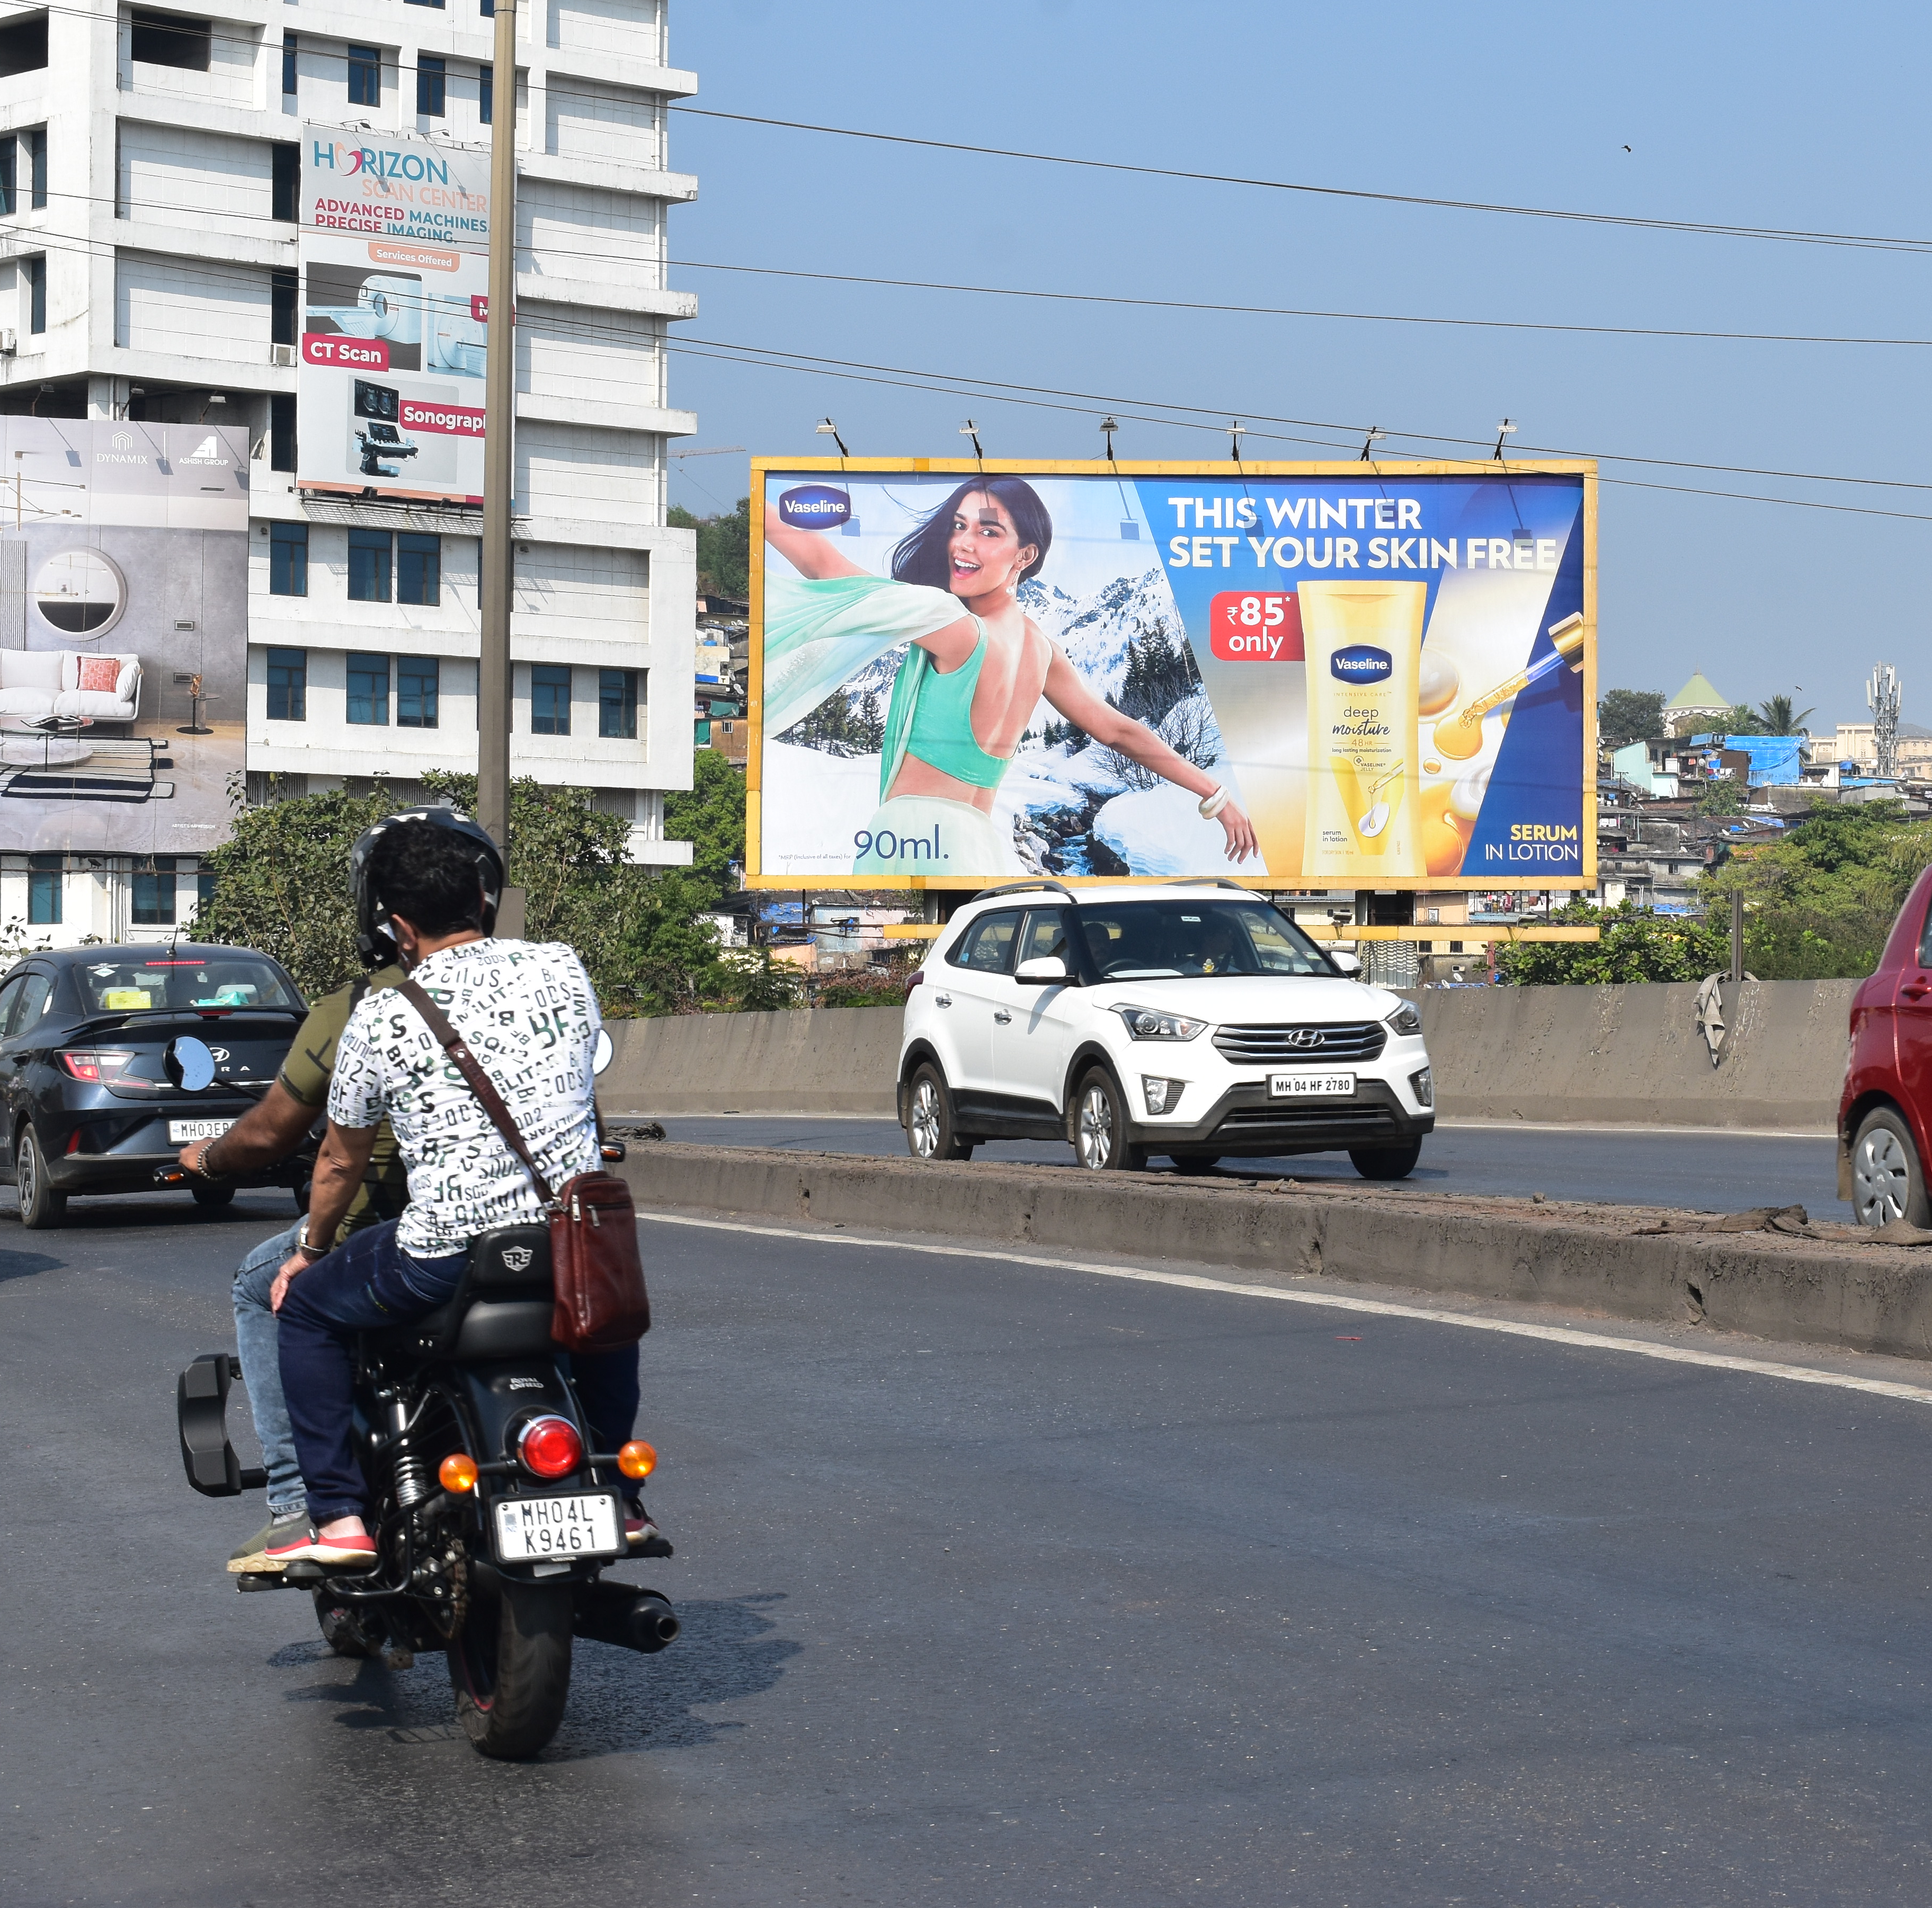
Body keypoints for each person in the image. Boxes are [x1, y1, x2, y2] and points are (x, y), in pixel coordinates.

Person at [259, 818, 643, 1569]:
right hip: (569, 1235)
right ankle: (618, 1495)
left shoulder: (381, 1014)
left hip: (445, 1256)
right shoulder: (564, 968)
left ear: (396, 925)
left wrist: (307, 1252)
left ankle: (337, 1518)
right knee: (604, 1314)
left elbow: (339, 1162)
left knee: (304, 1311)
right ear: (483, 896)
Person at [762, 474, 1258, 876]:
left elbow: (826, 565)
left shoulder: (953, 626)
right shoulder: (1041, 649)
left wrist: (756, 508)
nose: (963, 543)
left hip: (910, 836)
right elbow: (1121, 732)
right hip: (978, 847)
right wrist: (1216, 796)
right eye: (959, 526)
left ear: (1026, 556)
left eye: (988, 531)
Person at [180, 957, 410, 1574]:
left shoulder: (363, 1007)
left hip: (397, 1236)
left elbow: (310, 1148)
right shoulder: (539, 985)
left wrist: (208, 1162)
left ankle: (297, 1502)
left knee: (269, 1289)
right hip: (525, 1231)